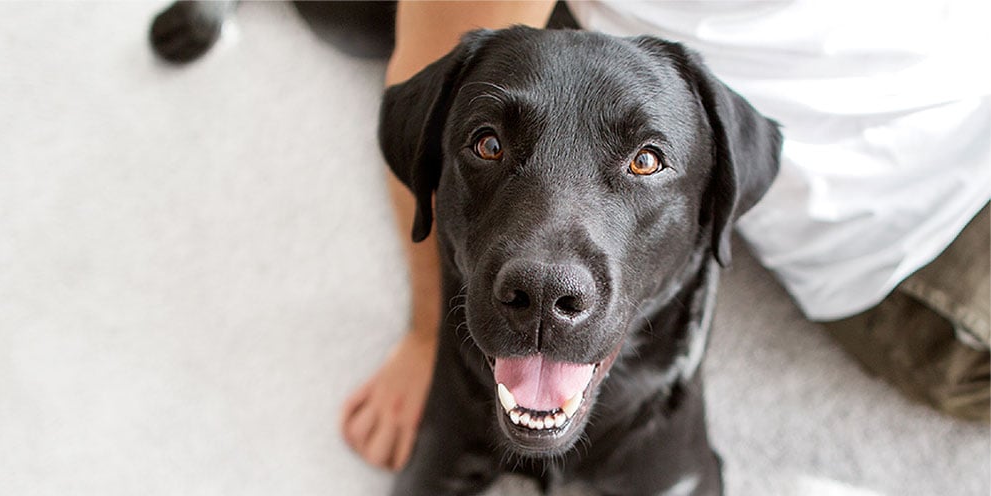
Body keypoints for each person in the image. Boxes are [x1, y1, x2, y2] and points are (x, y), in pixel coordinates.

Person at [341, 0, 991, 471]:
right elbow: (426, 63)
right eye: (488, 144)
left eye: (645, 161)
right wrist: (428, 333)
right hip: (928, 203)